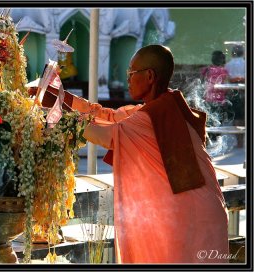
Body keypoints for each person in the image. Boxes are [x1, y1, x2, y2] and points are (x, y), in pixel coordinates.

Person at [33, 44, 229, 263]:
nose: (127, 78)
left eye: (131, 73)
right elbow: (105, 115)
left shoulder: (149, 117)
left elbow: (103, 134)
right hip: (204, 210)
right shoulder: (166, 107)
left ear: (150, 76)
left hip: (191, 216)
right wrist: (61, 97)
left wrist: (57, 108)